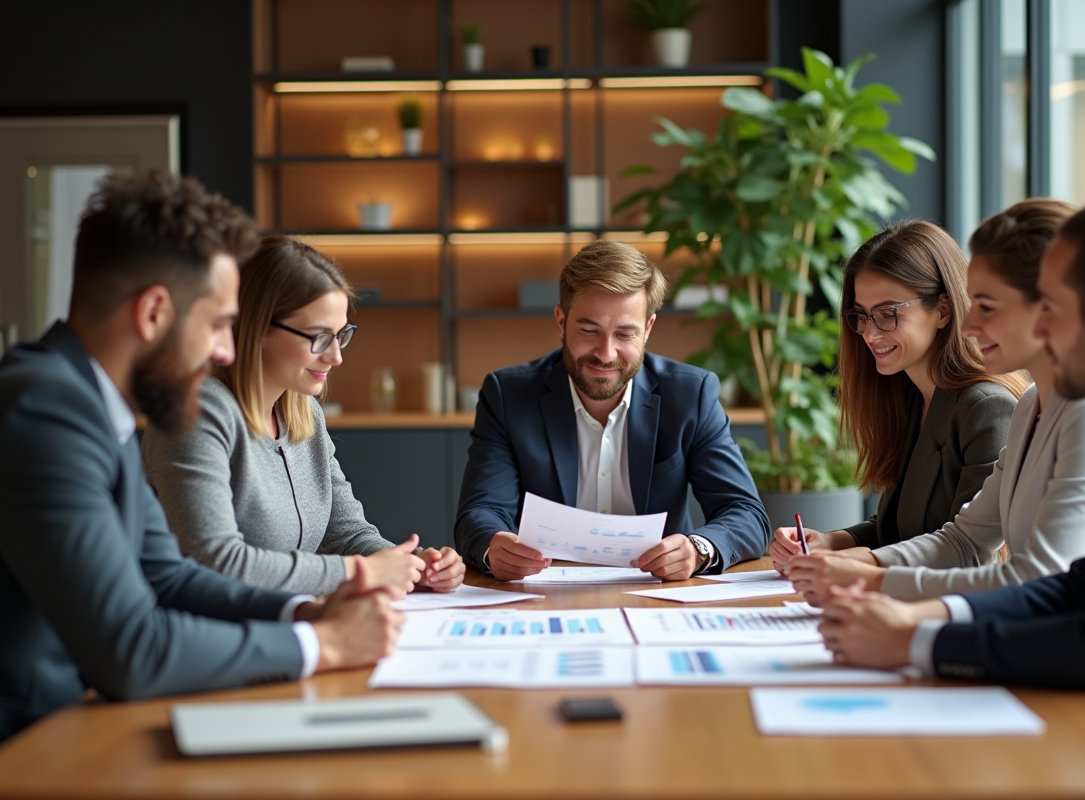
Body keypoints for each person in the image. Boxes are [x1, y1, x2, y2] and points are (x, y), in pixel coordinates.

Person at [0, 171, 404, 743]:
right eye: (218, 325)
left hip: (70, 723)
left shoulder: (93, 403)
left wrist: (302, 615)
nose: (224, 350)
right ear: (153, 313)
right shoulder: (45, 409)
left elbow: (168, 575)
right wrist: (323, 644)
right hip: (28, 742)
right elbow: (131, 649)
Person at [817, 192, 1085, 746]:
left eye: (1051, 310)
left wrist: (918, 638)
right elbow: (1078, 585)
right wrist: (914, 617)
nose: (968, 323)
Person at [787, 200, 1085, 603]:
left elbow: (1033, 575)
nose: (969, 323)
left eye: (987, 306)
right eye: (862, 316)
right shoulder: (1029, 406)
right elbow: (962, 539)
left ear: (1050, 306)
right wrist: (851, 559)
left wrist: (876, 583)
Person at [143, 235, 465, 595]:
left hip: (290, 617)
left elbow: (346, 534)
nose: (336, 357)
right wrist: (362, 571)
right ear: (258, 327)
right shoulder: (196, 412)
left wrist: (413, 565)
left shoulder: (303, 412)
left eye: (340, 335)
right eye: (318, 337)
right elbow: (216, 562)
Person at [454, 240, 770, 581]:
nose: (605, 354)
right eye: (589, 331)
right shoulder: (508, 396)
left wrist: (698, 550)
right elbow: (480, 512)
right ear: (561, 321)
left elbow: (746, 513)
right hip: (545, 590)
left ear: (647, 329)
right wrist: (493, 546)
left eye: (624, 334)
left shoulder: (691, 395)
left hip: (659, 591)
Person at [769, 221, 1025, 566]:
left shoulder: (987, 408)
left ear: (943, 310)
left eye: (887, 314)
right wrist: (830, 543)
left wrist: (854, 563)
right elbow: (900, 530)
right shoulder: (910, 397)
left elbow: (970, 552)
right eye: (861, 316)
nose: (869, 334)